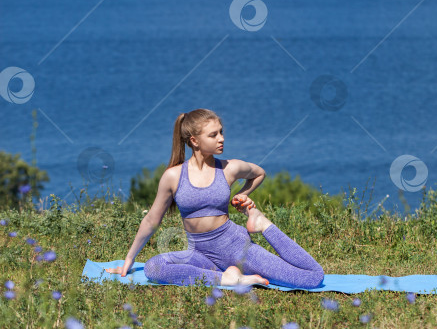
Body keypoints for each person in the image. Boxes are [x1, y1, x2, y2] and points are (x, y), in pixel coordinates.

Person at [106, 108, 324, 289]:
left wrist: (243, 194)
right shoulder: (173, 176)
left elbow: (259, 173)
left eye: (221, 132)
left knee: (312, 278)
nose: (221, 139)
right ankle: (226, 279)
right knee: (154, 267)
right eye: (213, 135)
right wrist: (129, 259)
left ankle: (262, 224)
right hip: (200, 254)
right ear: (195, 141)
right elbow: (151, 220)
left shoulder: (229, 168)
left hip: (237, 248)